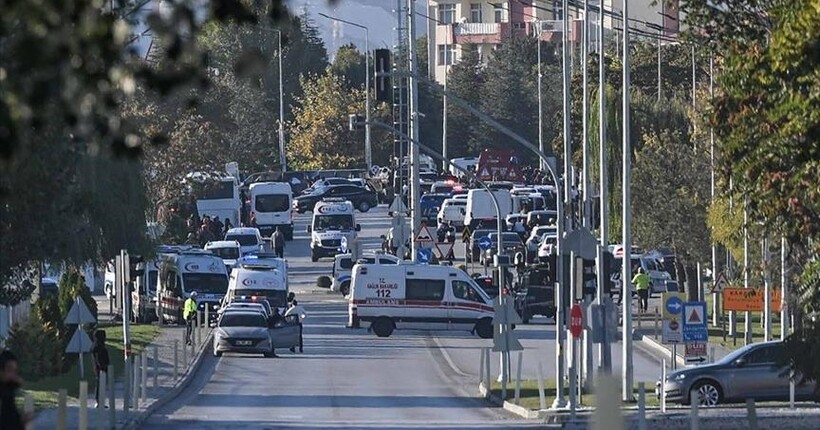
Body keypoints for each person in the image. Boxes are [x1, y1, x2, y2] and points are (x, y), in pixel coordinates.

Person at [0, 350, 30, 430]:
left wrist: (20, 420)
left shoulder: (8, 386)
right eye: (9, 370)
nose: (13, 374)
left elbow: (10, 413)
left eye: (15, 370)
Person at [91, 329, 110, 408]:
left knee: (101, 384)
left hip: (100, 368)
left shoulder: (97, 345)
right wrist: (103, 366)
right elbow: (99, 358)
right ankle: (99, 401)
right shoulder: (98, 347)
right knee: (100, 384)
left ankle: (100, 401)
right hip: (100, 369)